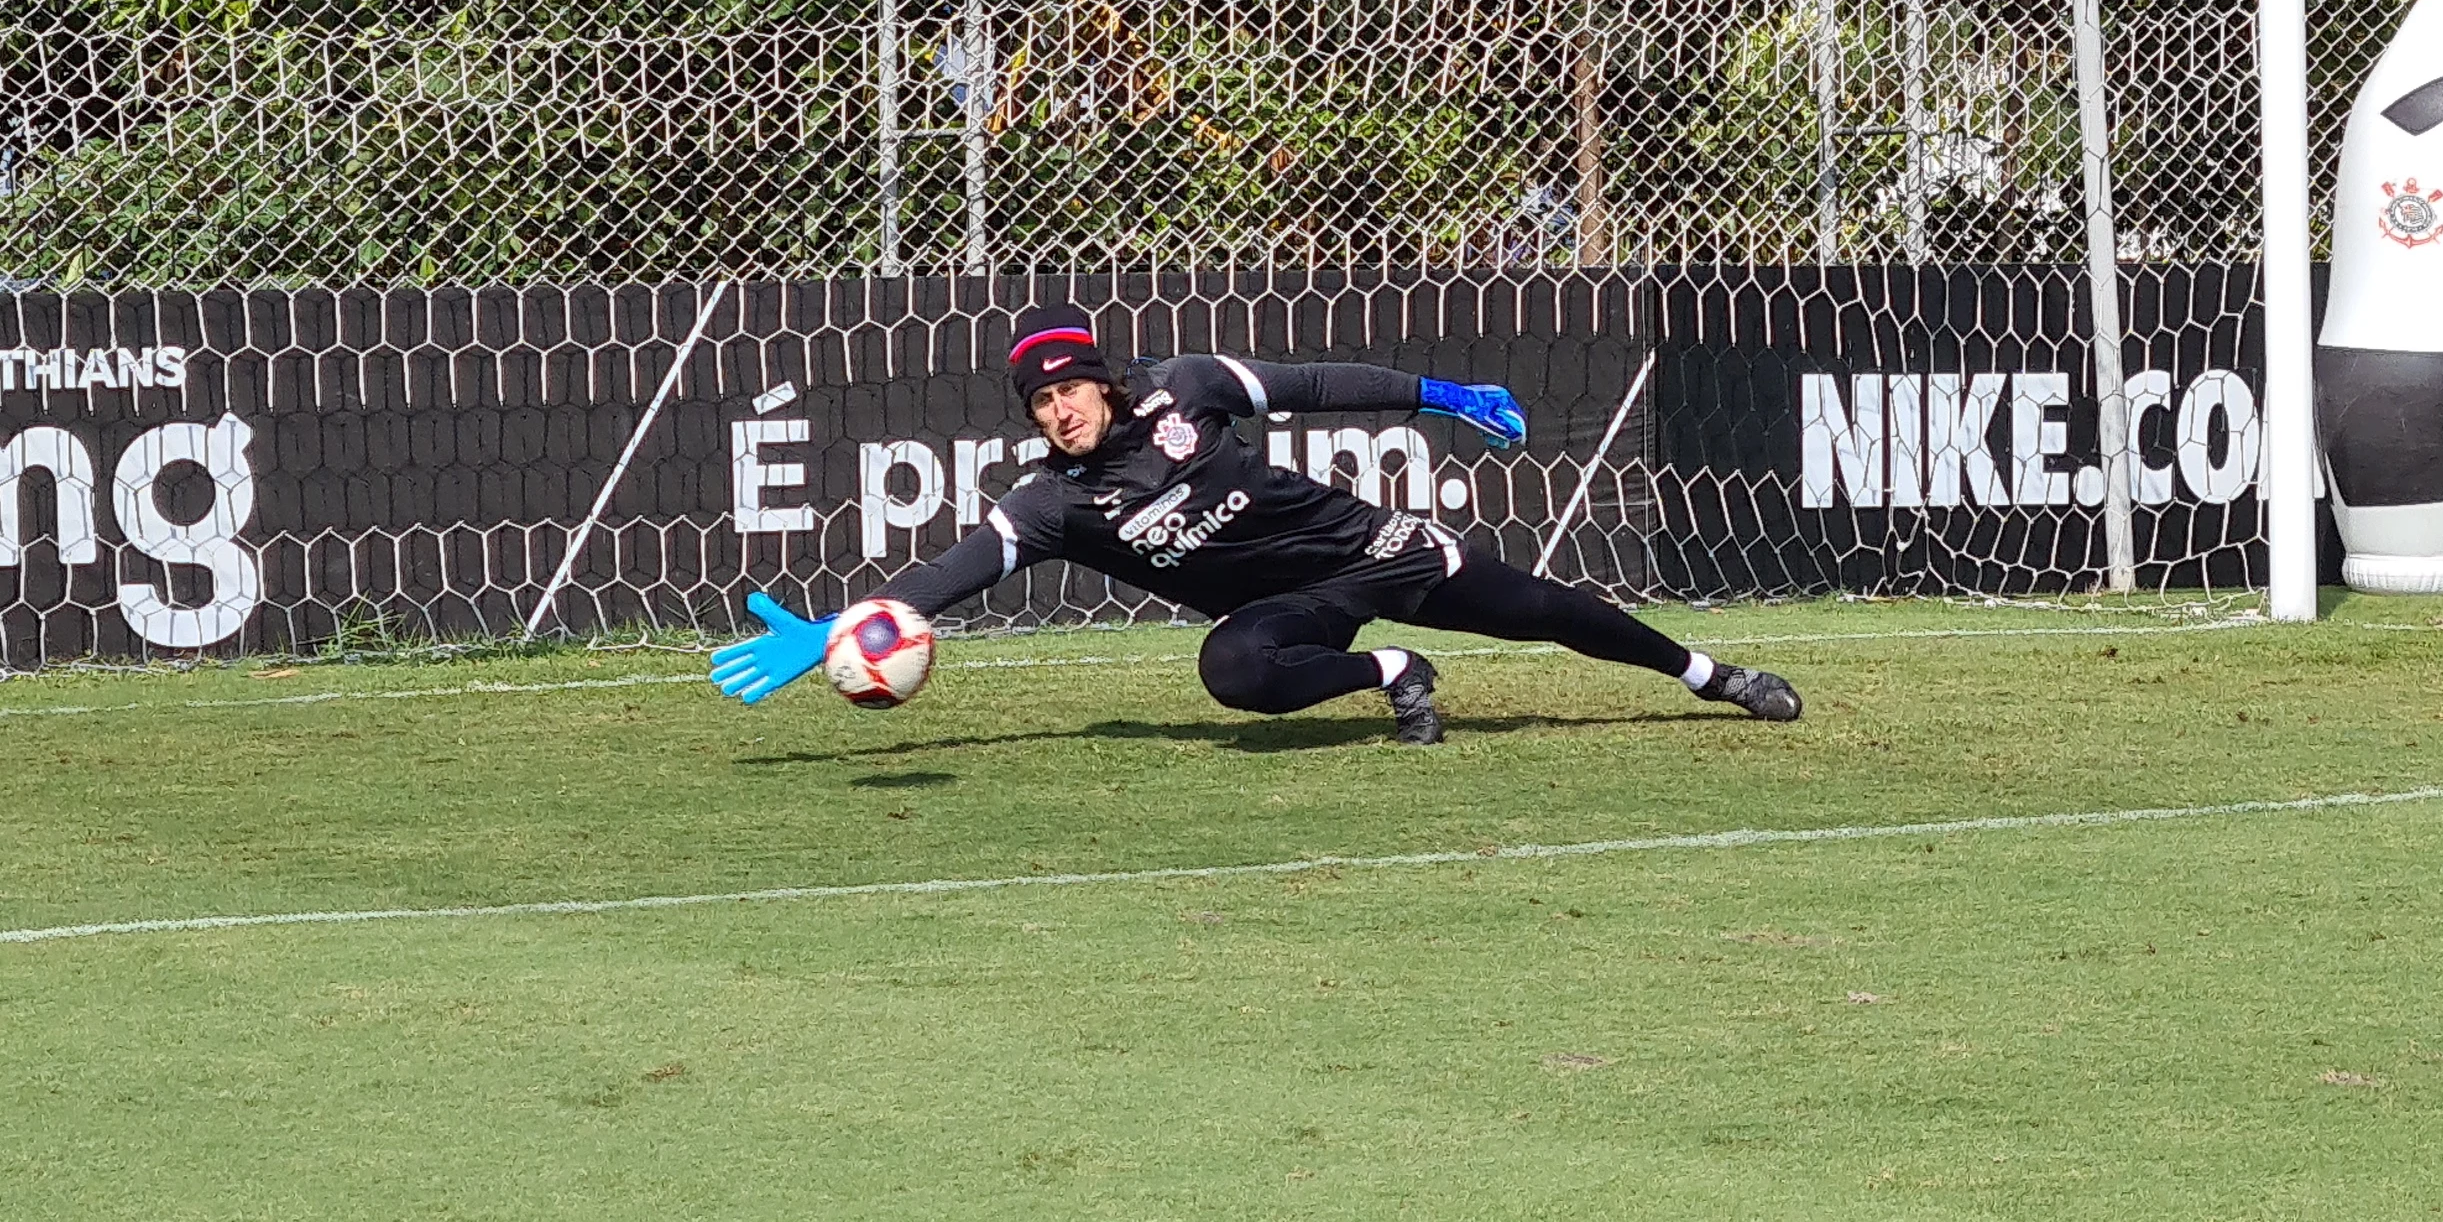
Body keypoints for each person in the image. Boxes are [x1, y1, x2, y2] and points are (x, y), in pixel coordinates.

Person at [710, 303, 1806, 744]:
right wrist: (838, 628)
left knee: (1548, 610)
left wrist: (1443, 395)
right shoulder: (1052, 501)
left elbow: (1318, 381)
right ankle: (1389, 674)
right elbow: (958, 571)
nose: (1060, 409)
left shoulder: (1187, 386)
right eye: (1041, 403)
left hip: (1364, 546)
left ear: (1101, 380)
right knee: (1232, 673)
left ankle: (1714, 679)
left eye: (1070, 390)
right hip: (1291, 610)